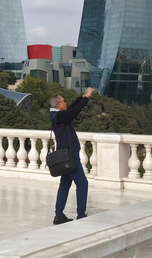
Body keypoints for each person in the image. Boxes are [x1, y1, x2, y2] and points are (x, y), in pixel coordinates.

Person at [50, 87, 95, 224]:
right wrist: (86, 98)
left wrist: (82, 97)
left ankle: (59, 215)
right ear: (58, 105)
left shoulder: (58, 115)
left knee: (65, 184)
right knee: (82, 183)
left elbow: (71, 108)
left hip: (65, 155)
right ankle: (81, 214)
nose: (65, 103)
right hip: (69, 155)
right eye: (63, 102)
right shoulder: (59, 117)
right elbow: (74, 111)